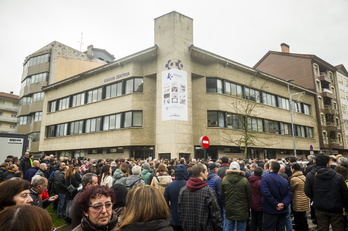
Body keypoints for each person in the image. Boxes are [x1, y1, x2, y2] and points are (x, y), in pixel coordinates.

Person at [305, 154, 348, 231]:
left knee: (322, 228)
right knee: (338, 228)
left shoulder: (310, 175)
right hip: (336, 207)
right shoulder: (338, 176)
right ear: (328, 163)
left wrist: (315, 198)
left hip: (320, 207)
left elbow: (307, 191)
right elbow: (344, 194)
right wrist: (345, 206)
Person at [178, 163, 222, 231]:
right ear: (201, 173)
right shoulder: (208, 191)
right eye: (206, 171)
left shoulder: (183, 190)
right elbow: (215, 215)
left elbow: (180, 211)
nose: (207, 173)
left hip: (187, 227)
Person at [260, 161, 292, 231]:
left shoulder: (265, 178)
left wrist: (276, 204)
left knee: (268, 228)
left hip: (270, 209)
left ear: (270, 168)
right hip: (282, 209)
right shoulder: (284, 180)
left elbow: (265, 193)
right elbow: (289, 194)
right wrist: (283, 204)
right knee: (281, 228)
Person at [222, 161, 251, 231]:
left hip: (229, 207)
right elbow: (249, 196)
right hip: (242, 208)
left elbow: (222, 195)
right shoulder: (244, 180)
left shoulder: (224, 180)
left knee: (229, 227)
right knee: (241, 228)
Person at [164, 164, 189, 231]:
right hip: (187, 217)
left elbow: (165, 202)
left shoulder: (169, 186)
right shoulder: (189, 185)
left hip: (174, 217)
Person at [289, 163, 310, 231]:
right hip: (305, 198)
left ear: (293, 169)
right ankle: (305, 227)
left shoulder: (294, 179)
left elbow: (291, 189)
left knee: (298, 215)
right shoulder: (304, 176)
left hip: (298, 199)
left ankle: (300, 227)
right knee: (303, 215)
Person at [248, 167, 264, 231]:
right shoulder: (261, 182)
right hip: (260, 204)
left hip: (252, 203)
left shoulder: (249, 181)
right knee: (260, 222)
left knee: (253, 221)